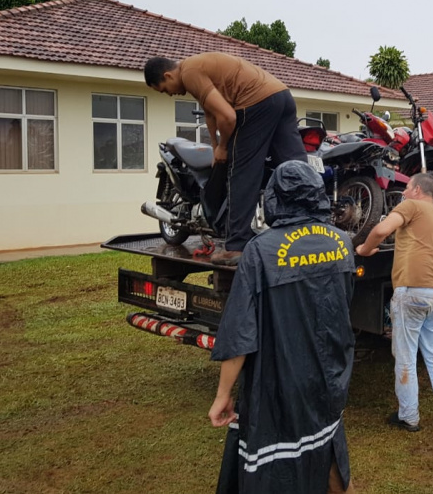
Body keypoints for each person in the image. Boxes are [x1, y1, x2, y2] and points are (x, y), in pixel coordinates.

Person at [208, 160, 356, 493]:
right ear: (316, 195)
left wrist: (222, 395)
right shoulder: (341, 242)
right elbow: (343, 305)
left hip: (279, 383)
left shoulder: (260, 252)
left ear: (274, 196)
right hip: (328, 376)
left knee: (274, 462)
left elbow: (241, 333)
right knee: (327, 446)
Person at [144, 52, 306, 265]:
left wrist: (223, 147)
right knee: (296, 170)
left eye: (164, 90)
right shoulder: (196, 67)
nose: (169, 94)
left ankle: (236, 246)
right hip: (282, 96)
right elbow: (211, 112)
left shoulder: (189, 73)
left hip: (255, 104)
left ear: (168, 75)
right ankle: (310, 231)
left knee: (241, 175)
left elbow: (228, 117)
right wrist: (214, 146)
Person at [355, 173, 433, 438]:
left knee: (405, 356)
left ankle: (408, 416)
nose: (403, 193)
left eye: (406, 188)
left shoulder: (411, 206)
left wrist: (364, 250)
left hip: (412, 291)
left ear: (417, 190)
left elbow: (382, 230)